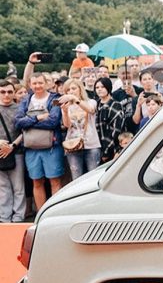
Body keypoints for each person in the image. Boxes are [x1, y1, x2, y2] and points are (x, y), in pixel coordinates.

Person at [15, 72, 64, 211]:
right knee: (36, 182)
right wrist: (39, 118)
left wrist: (29, 121)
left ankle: (55, 213)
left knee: (55, 181)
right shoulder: (26, 100)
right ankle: (41, 213)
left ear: (46, 83)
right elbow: (18, 122)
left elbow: (53, 121)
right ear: (30, 84)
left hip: (51, 147)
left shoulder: (55, 98)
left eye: (40, 83)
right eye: (34, 83)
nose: (38, 86)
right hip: (31, 148)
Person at [59, 78, 101, 180]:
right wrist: (64, 112)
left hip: (91, 144)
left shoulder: (91, 102)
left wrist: (76, 100)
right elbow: (67, 125)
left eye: (73, 88)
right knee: (76, 178)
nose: (71, 91)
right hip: (72, 145)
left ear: (80, 89)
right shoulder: (67, 106)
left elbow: (90, 110)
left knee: (93, 177)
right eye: (68, 90)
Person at [0, 80, 25, 222]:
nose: (6, 95)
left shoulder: (19, 109)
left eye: (9, 91)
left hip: (17, 152)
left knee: (18, 187)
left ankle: (18, 218)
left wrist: (12, 146)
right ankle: (4, 218)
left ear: (14, 93)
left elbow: (25, 131)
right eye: (2, 92)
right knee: (3, 188)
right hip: (0, 152)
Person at [93, 77, 126, 164]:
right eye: (97, 87)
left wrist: (106, 151)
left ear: (108, 88)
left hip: (113, 149)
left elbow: (117, 131)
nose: (99, 89)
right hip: (97, 147)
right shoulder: (96, 104)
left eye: (102, 87)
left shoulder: (116, 105)